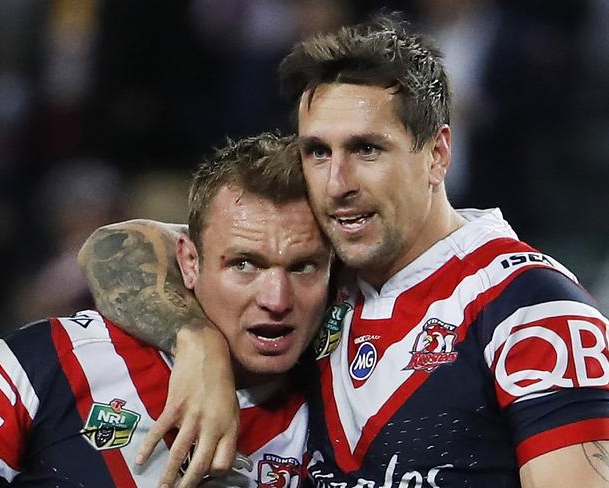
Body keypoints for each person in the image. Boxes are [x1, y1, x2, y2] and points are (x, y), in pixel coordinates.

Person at [80, 13, 609, 488]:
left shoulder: (529, 308)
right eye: (317, 151)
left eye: (366, 149)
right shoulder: (317, 275)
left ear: (438, 154)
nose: (337, 183)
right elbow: (114, 246)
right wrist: (198, 343)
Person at [0, 132, 332, 487]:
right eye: (244, 264)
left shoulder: (346, 402)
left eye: (304, 266)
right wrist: (199, 342)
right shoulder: (51, 362)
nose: (277, 299)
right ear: (188, 261)